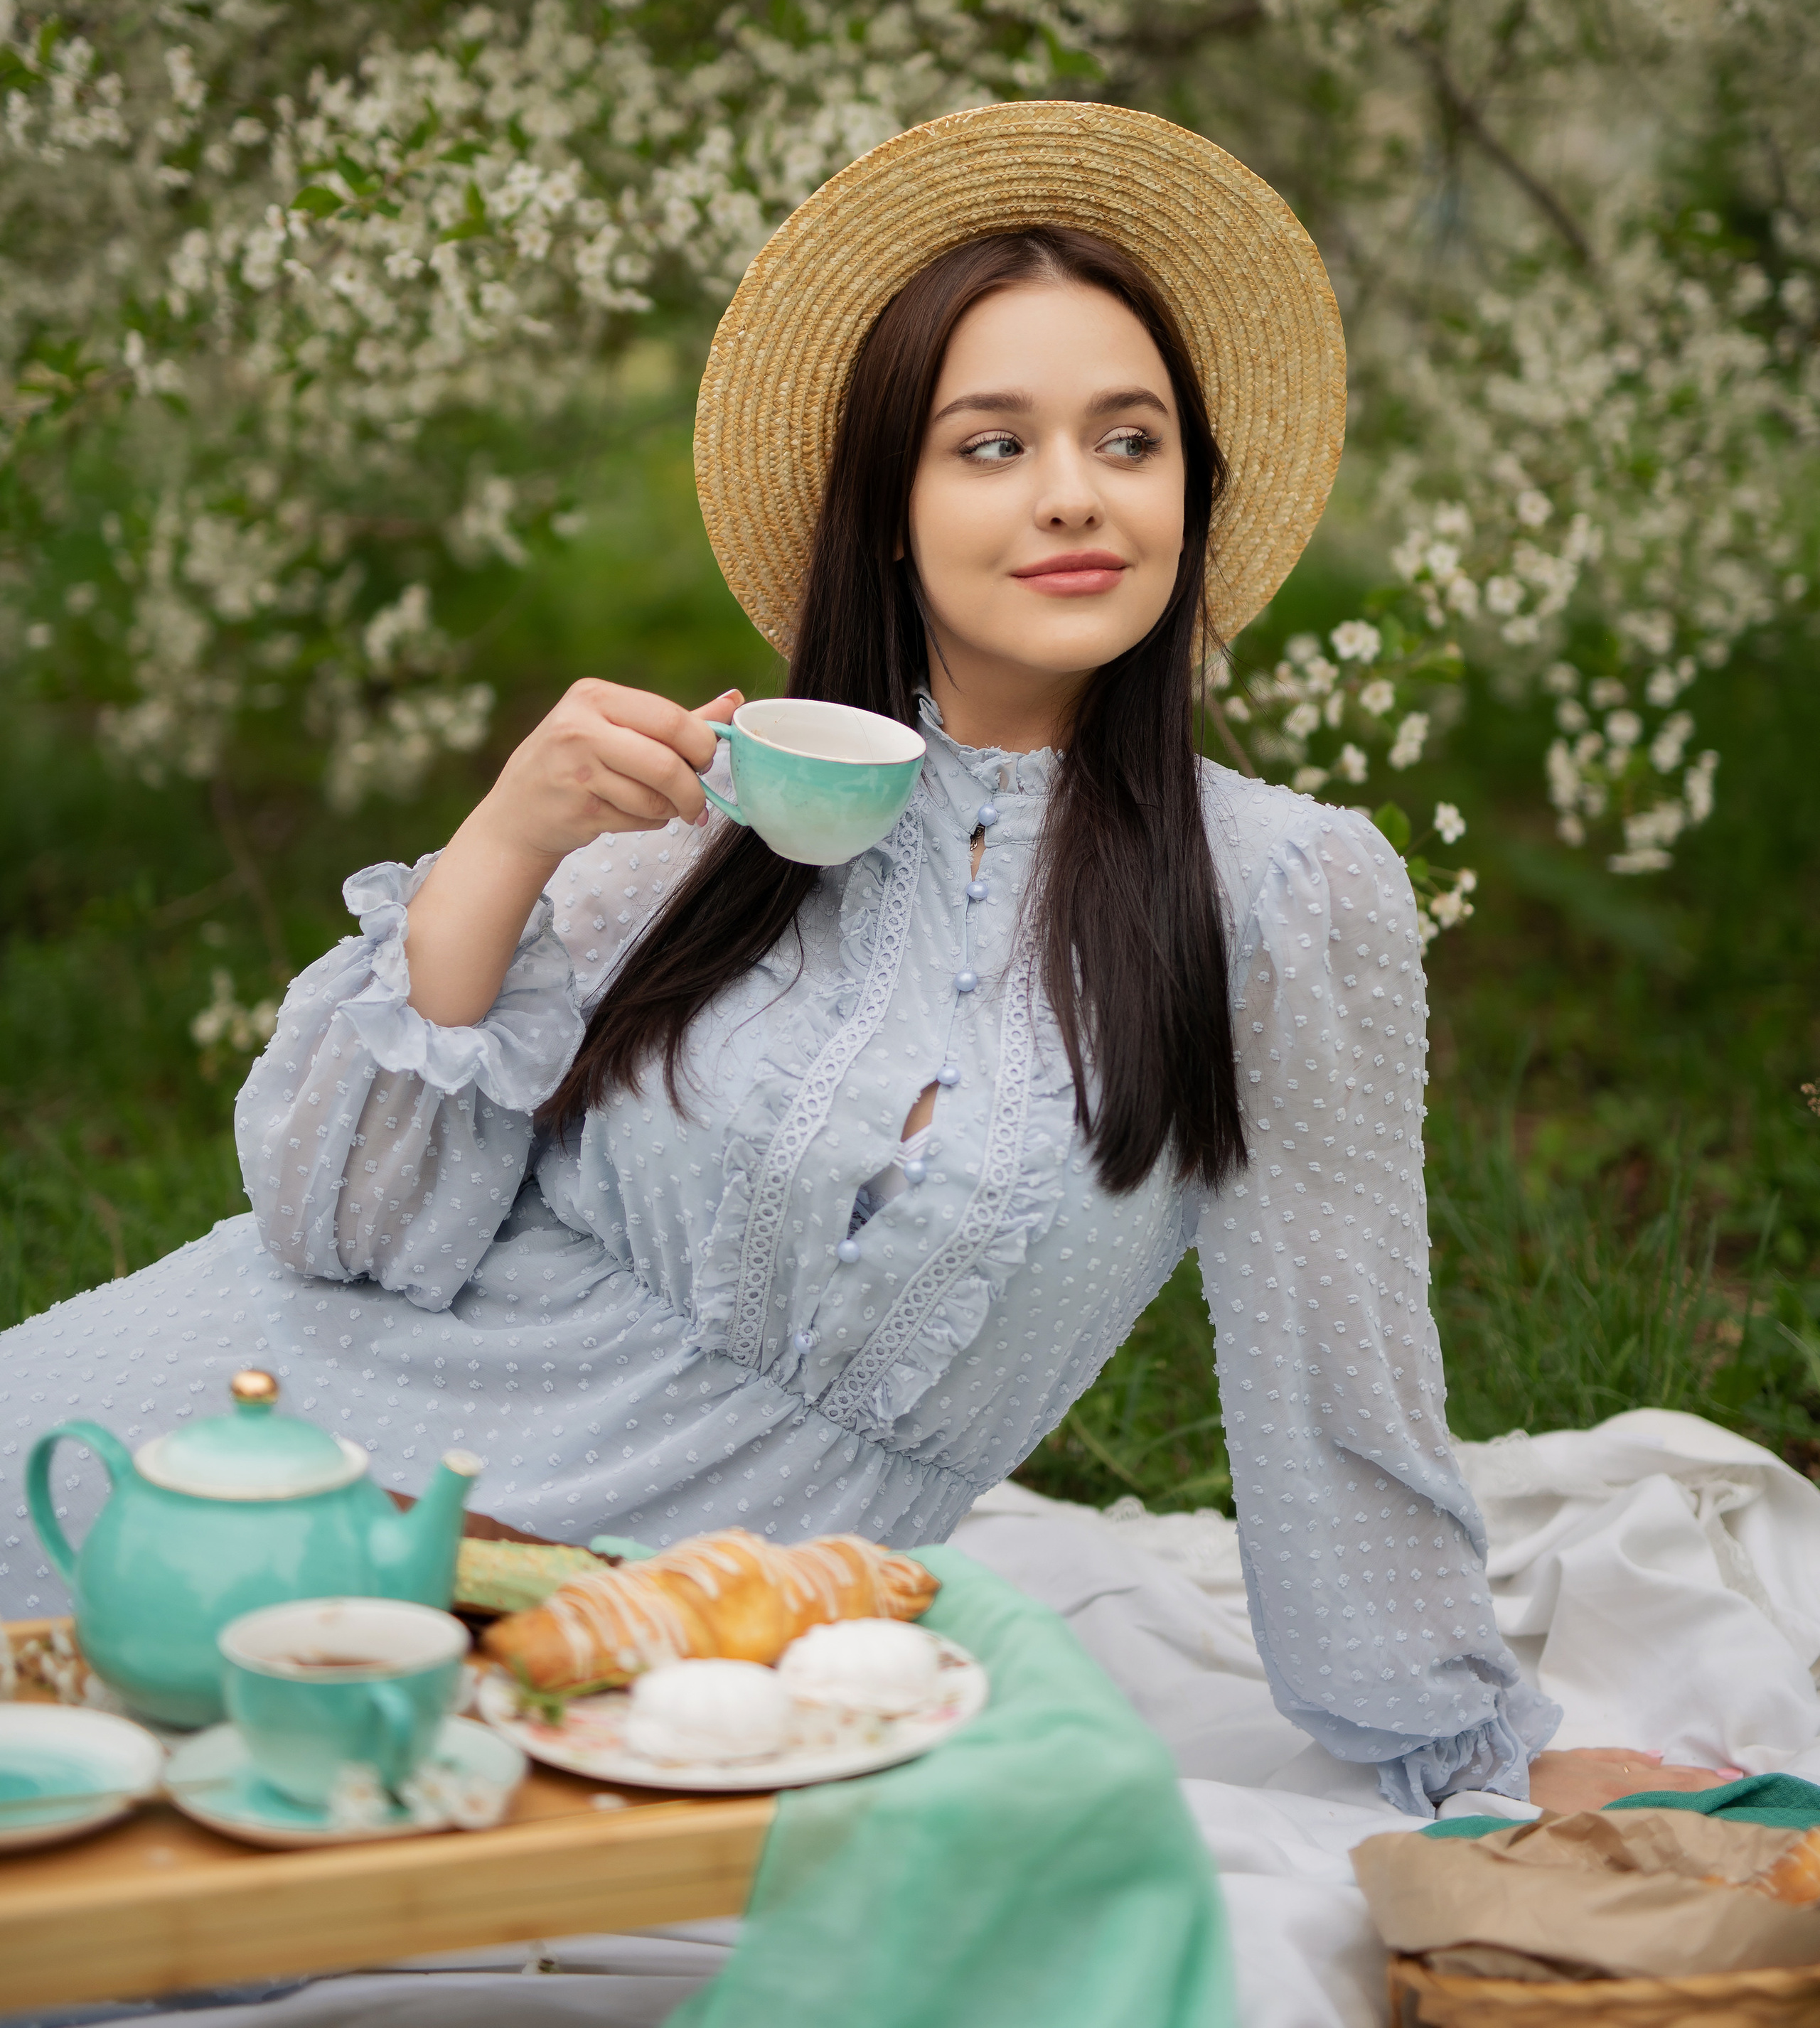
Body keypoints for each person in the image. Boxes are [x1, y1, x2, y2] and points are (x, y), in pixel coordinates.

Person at [0, 104, 1717, 1815]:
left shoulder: (1282, 893)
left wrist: (1466, 1749)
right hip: (207, 1464)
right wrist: (506, 845)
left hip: (619, 1651)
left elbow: (1337, 1374)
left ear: (1191, 489)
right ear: (887, 510)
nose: (1070, 495)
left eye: (1128, 440)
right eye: (989, 445)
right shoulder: (707, 802)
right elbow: (346, 1227)